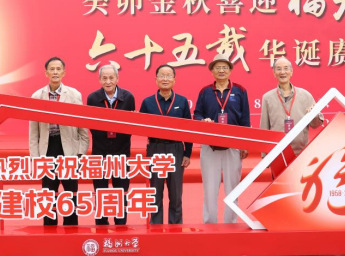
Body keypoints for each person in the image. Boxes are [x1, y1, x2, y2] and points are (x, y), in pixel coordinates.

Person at [29, 57, 89, 226]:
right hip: (47, 148)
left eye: (58, 69)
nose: (55, 72)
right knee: (48, 193)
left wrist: (80, 152)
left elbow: (83, 127)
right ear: (46, 73)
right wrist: (35, 158)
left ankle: (71, 230)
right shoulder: (37, 96)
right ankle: (49, 231)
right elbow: (33, 131)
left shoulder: (74, 95)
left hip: (68, 149)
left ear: (64, 72)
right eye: (52, 69)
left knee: (70, 193)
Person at [194, 54, 250, 224]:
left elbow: (245, 119)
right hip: (210, 146)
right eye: (217, 67)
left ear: (230, 70)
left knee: (232, 188)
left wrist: (245, 144)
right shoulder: (205, 91)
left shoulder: (240, 90)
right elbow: (197, 114)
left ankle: (231, 223)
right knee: (210, 188)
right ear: (212, 71)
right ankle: (210, 223)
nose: (221, 70)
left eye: (224, 67)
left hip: (233, 145)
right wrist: (203, 120)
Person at [139, 64, 193, 224]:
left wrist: (187, 153)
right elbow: (140, 126)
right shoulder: (148, 102)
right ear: (156, 79)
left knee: (176, 193)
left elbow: (189, 129)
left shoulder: (182, 101)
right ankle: (155, 226)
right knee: (155, 191)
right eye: (161, 75)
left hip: (176, 148)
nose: (165, 79)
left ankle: (175, 226)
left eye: (168, 76)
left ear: (174, 80)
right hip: (155, 148)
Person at [86, 65, 136, 225]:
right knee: (100, 190)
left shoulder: (128, 97)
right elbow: (91, 125)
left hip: (121, 152)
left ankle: (120, 224)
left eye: (111, 78)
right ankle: (101, 224)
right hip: (100, 152)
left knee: (121, 191)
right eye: (104, 78)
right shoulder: (92, 98)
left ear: (117, 79)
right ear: (99, 80)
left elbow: (131, 125)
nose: (108, 81)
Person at [260, 57, 323, 156]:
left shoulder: (305, 95)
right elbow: (264, 129)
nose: (282, 72)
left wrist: (314, 114)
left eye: (286, 68)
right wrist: (265, 155)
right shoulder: (267, 98)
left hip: (301, 153)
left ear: (291, 71)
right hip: (277, 154)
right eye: (278, 69)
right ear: (274, 73)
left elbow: (315, 125)